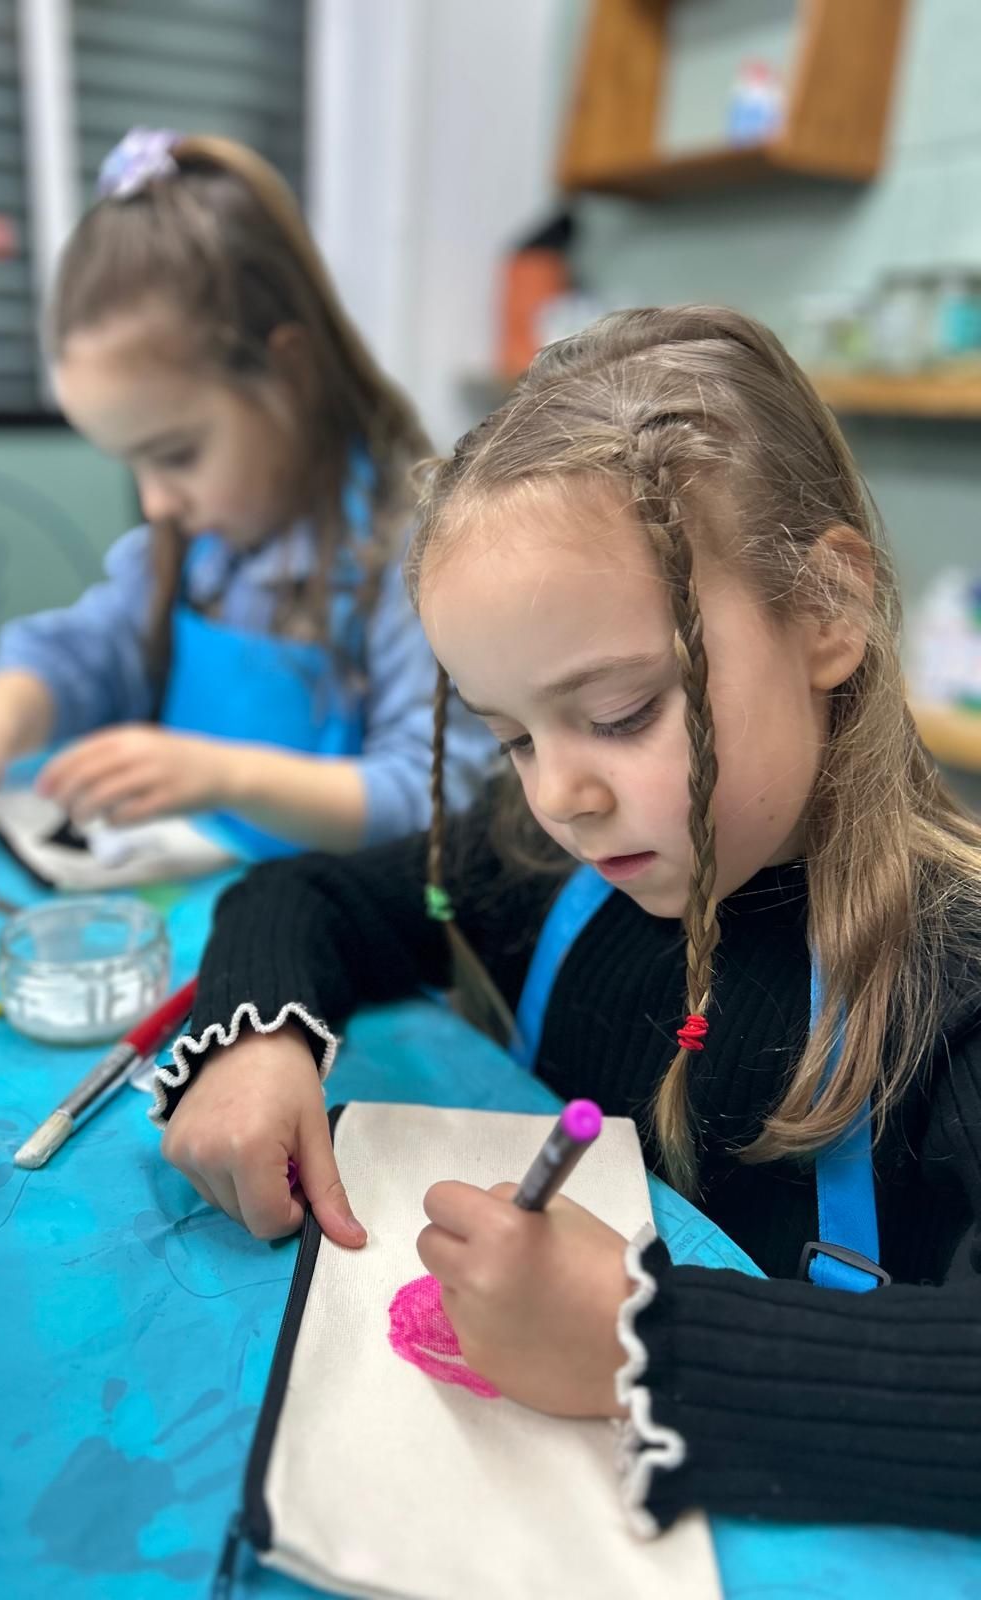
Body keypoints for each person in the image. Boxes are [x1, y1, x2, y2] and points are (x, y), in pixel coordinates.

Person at [156, 306, 981, 1537]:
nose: (559, 794)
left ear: (827, 611)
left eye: (622, 710)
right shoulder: (546, 867)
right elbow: (302, 893)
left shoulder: (950, 982)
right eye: (511, 734)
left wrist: (640, 1338)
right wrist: (253, 1037)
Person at [0, 130, 492, 876]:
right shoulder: (196, 548)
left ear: (287, 373)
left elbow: (436, 796)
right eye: (130, 464)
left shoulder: (410, 558)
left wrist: (224, 776)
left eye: (175, 454)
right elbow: (82, 652)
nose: (156, 500)